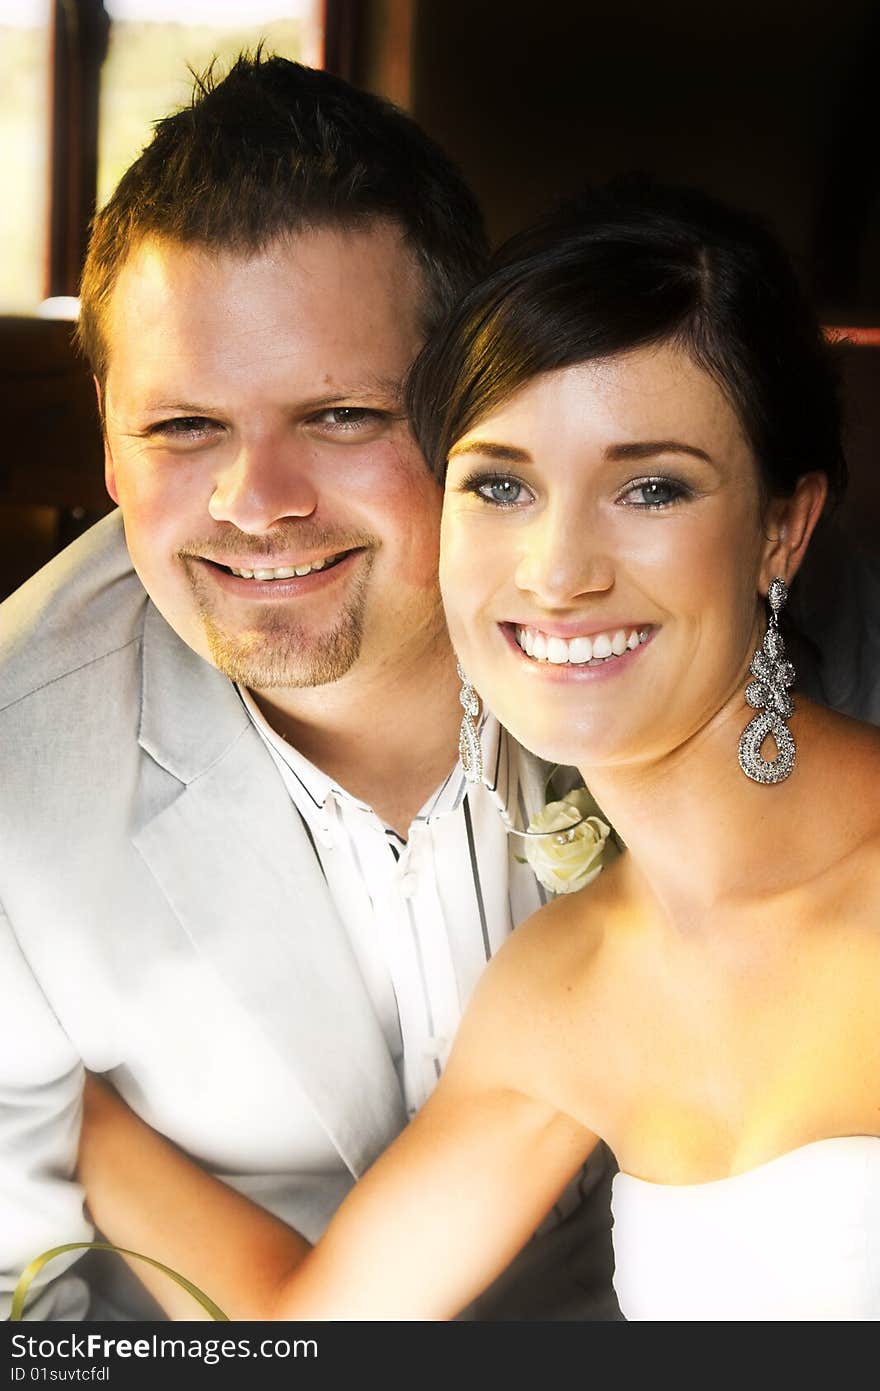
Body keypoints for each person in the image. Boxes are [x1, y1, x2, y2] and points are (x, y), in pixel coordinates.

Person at [72, 179, 880, 1321]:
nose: (556, 570)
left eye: (650, 487)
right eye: (500, 483)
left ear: (781, 528)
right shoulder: (564, 986)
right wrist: (72, 1113)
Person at [0, 54, 618, 1322]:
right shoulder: (14, 776)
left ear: (474, 405)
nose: (256, 503)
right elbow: (28, 1308)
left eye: (339, 414)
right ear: (108, 436)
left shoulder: (706, 646)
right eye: (184, 428)